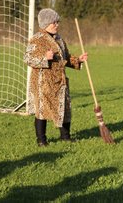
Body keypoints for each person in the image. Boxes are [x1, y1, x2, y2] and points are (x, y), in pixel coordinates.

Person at [24, 8, 88, 146]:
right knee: (42, 111)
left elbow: (66, 58)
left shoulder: (59, 39)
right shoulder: (37, 39)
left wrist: (79, 60)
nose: (57, 25)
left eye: (58, 22)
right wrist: (44, 58)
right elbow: (28, 58)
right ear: (46, 24)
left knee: (64, 107)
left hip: (60, 81)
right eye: (54, 22)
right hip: (43, 81)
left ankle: (65, 137)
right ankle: (41, 140)